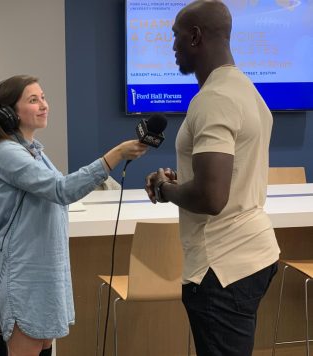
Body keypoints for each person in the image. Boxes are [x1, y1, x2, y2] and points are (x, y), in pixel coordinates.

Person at [144, 1, 280, 355]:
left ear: (195, 36)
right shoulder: (248, 92)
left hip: (220, 267)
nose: (172, 47)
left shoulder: (213, 99)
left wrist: (165, 188)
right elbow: (224, 178)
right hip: (252, 254)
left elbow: (210, 197)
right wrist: (182, 179)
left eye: (175, 37)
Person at [0, 74, 147, 356]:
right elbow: (60, 190)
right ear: (9, 113)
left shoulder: (34, 152)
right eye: (33, 100)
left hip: (43, 268)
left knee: (44, 345)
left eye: (43, 97)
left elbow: (57, 193)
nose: (44, 105)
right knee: (30, 345)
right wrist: (115, 155)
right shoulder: (7, 153)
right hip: (25, 272)